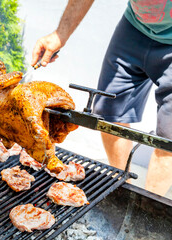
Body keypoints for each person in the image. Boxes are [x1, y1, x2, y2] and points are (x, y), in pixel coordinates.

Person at [31, 0, 172, 196]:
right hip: (135, 26)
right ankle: (122, 188)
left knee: (169, 138)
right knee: (109, 112)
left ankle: (147, 205)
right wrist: (60, 35)